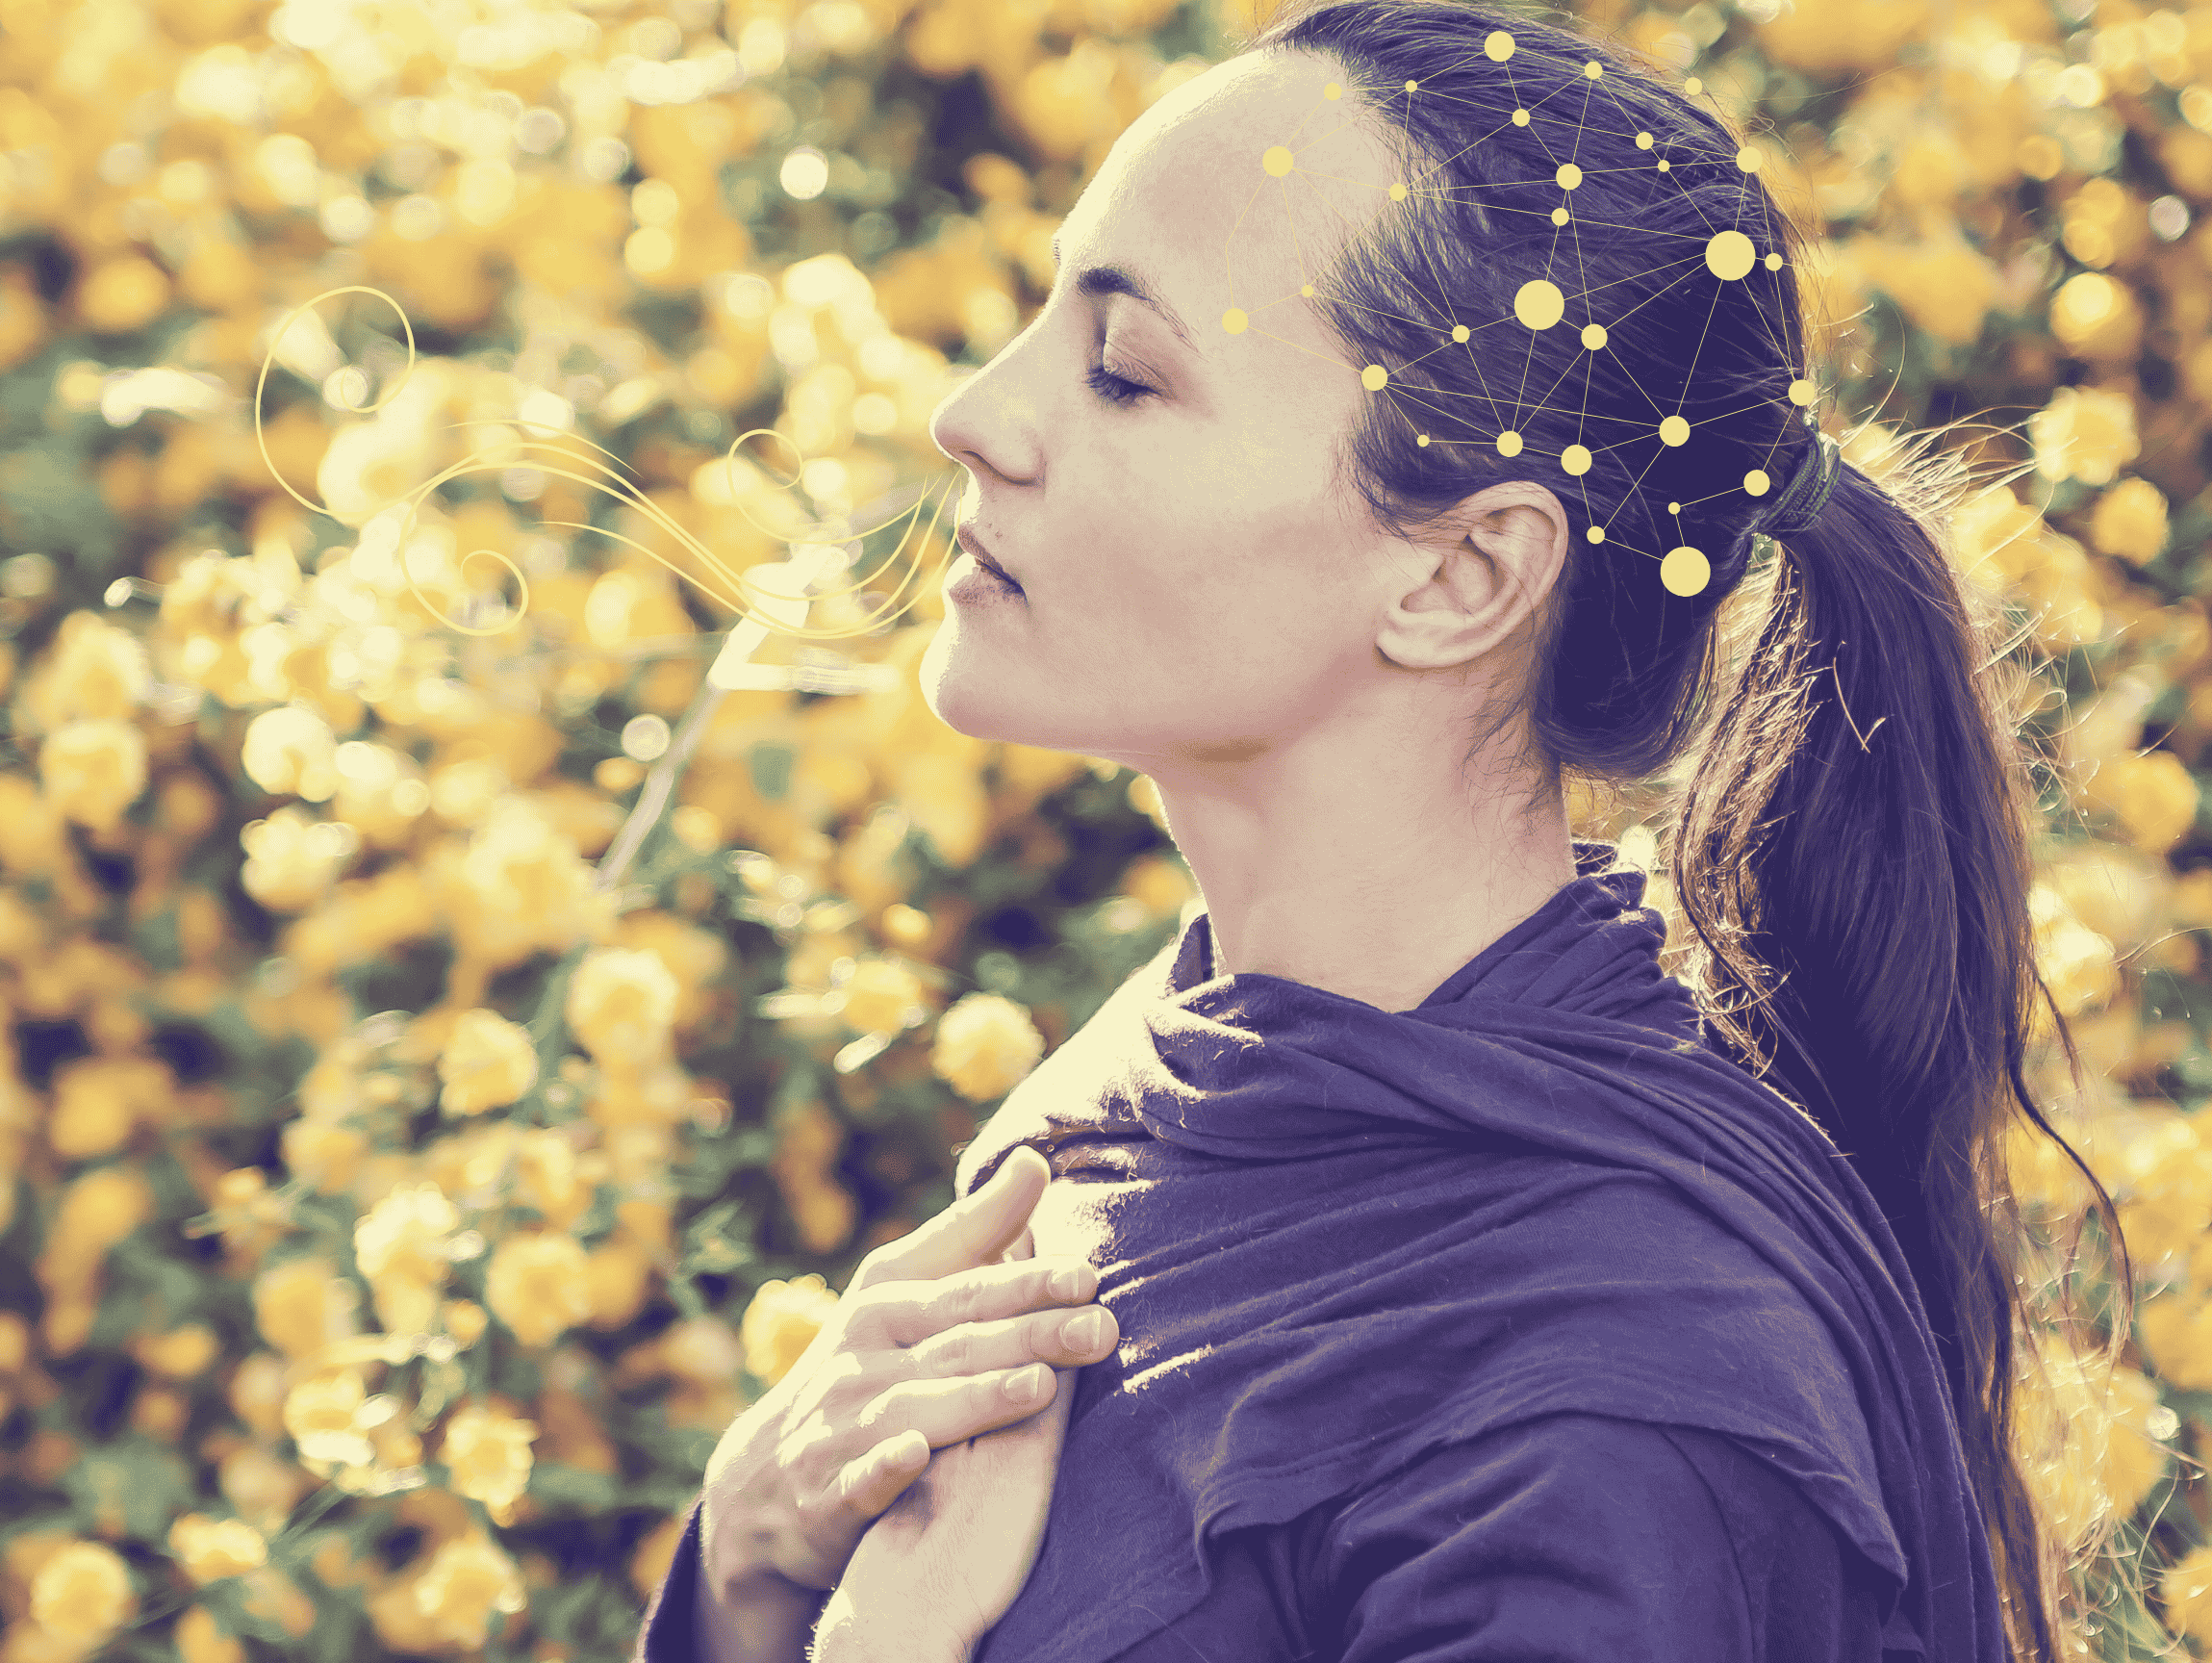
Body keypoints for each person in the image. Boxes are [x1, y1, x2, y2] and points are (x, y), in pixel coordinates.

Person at [635, 0, 2134, 1658]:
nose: (975, 416)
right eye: (1044, 313)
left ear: (1459, 575)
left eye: (1127, 373)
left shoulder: (1614, 1417)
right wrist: (753, 1555)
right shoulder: (1188, 1073)